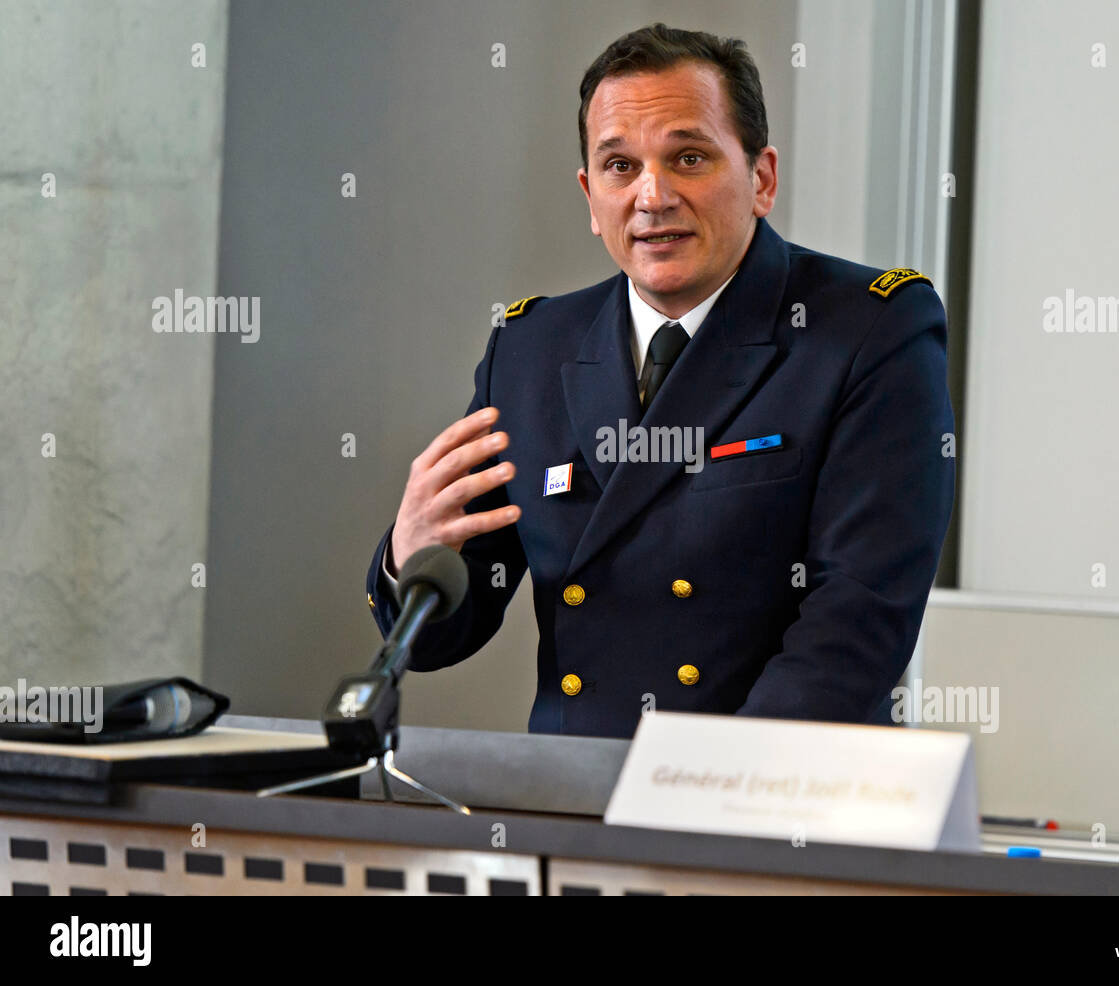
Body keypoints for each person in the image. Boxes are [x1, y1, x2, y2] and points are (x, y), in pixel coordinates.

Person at [365, 23, 954, 739]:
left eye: (689, 157)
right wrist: (412, 558)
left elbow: (856, 617)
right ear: (590, 195)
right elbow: (440, 637)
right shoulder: (529, 350)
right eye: (620, 167)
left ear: (761, 178)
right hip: (573, 805)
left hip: (767, 805)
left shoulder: (868, 331)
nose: (653, 195)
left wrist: (712, 790)